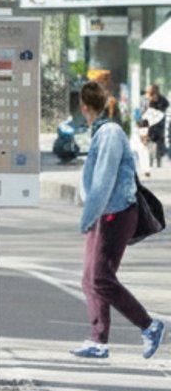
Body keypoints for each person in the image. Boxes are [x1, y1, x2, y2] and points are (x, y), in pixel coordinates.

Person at [71, 78, 166, 362]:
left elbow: (103, 180)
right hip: (105, 212)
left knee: (101, 277)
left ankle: (150, 326)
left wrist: (87, 217)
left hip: (116, 212)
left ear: (85, 107)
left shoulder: (109, 132)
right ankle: (98, 341)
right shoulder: (101, 131)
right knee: (89, 278)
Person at [143, 82, 168, 170]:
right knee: (150, 141)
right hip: (151, 123)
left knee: (159, 141)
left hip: (159, 123)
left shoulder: (162, 99)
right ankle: (150, 160)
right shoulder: (148, 99)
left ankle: (158, 160)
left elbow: (165, 106)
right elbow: (145, 110)